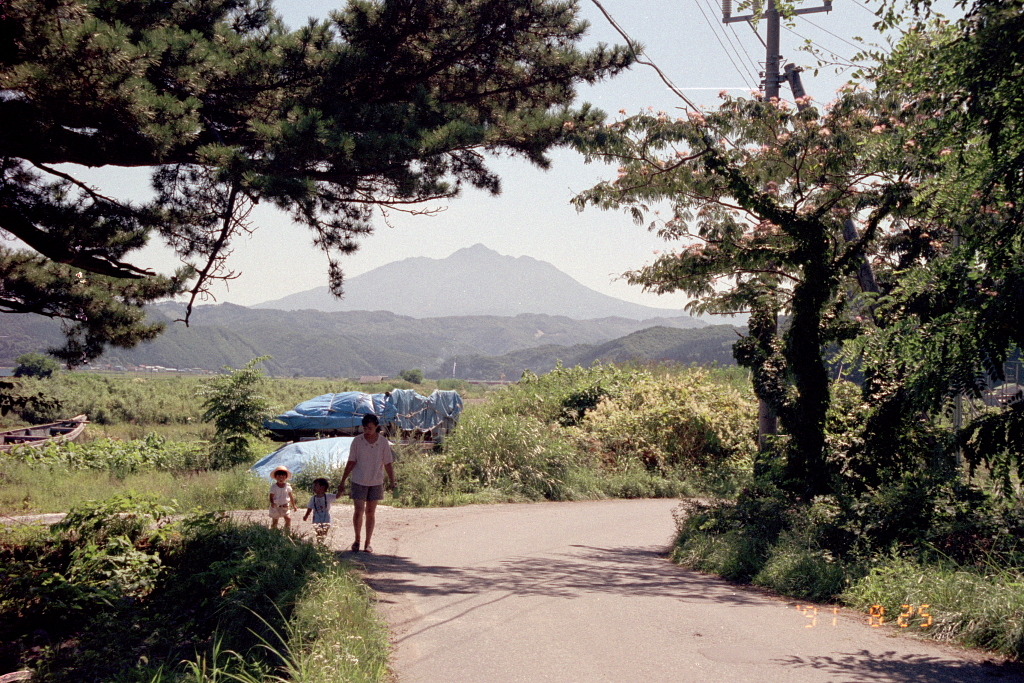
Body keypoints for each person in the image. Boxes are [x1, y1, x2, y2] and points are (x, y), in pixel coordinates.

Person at [337, 413, 396, 553]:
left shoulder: (382, 442)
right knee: (359, 511)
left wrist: (393, 481)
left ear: (376, 427)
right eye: (365, 428)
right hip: (359, 480)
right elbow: (351, 461)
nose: (367, 431)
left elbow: (388, 463)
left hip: (376, 481)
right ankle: (357, 540)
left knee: (370, 512)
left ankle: (368, 542)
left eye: (370, 428)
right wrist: (343, 480)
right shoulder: (357, 441)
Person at [303, 477, 337, 542]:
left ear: (322, 487)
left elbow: (337, 496)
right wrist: (306, 515)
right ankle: (319, 542)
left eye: (316, 485)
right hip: (316, 516)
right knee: (318, 531)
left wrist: (341, 490)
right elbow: (310, 508)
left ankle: (322, 541)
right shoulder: (313, 498)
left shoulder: (328, 496)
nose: (314, 487)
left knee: (324, 530)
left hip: (326, 516)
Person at [268, 465, 297, 531]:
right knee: (275, 521)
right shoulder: (274, 487)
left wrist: (294, 505)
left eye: (283, 476)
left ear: (286, 477)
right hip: (276, 506)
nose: (281, 478)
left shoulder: (288, 486)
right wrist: (272, 503)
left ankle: (287, 533)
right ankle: (273, 534)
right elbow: (271, 496)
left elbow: (291, 496)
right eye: (279, 476)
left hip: (285, 506)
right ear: (276, 477)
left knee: (288, 519)